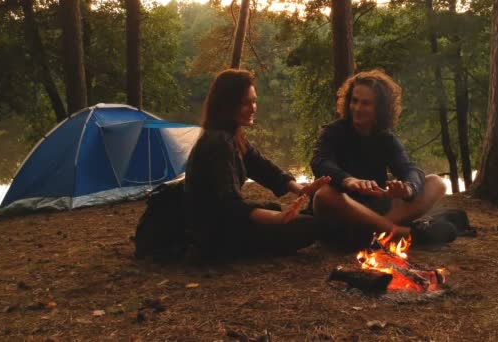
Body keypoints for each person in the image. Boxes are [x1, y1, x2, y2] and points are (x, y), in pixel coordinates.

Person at [184, 69, 329, 258]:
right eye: (246, 103)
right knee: (310, 226)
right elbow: (229, 205)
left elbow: (262, 167)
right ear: (227, 105)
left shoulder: (232, 134)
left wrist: (301, 189)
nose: (253, 108)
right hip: (212, 233)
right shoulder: (218, 142)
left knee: (274, 209)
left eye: (254, 101)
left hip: (222, 222)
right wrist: (279, 218)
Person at [310, 69, 456, 250]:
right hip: (342, 212)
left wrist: (408, 189)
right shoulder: (333, 132)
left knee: (436, 182)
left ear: (379, 109)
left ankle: (377, 232)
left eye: (365, 103)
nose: (357, 108)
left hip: (374, 210)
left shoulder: (385, 138)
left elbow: (409, 168)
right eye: (354, 101)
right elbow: (319, 161)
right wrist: (348, 180)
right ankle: (395, 232)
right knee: (324, 194)